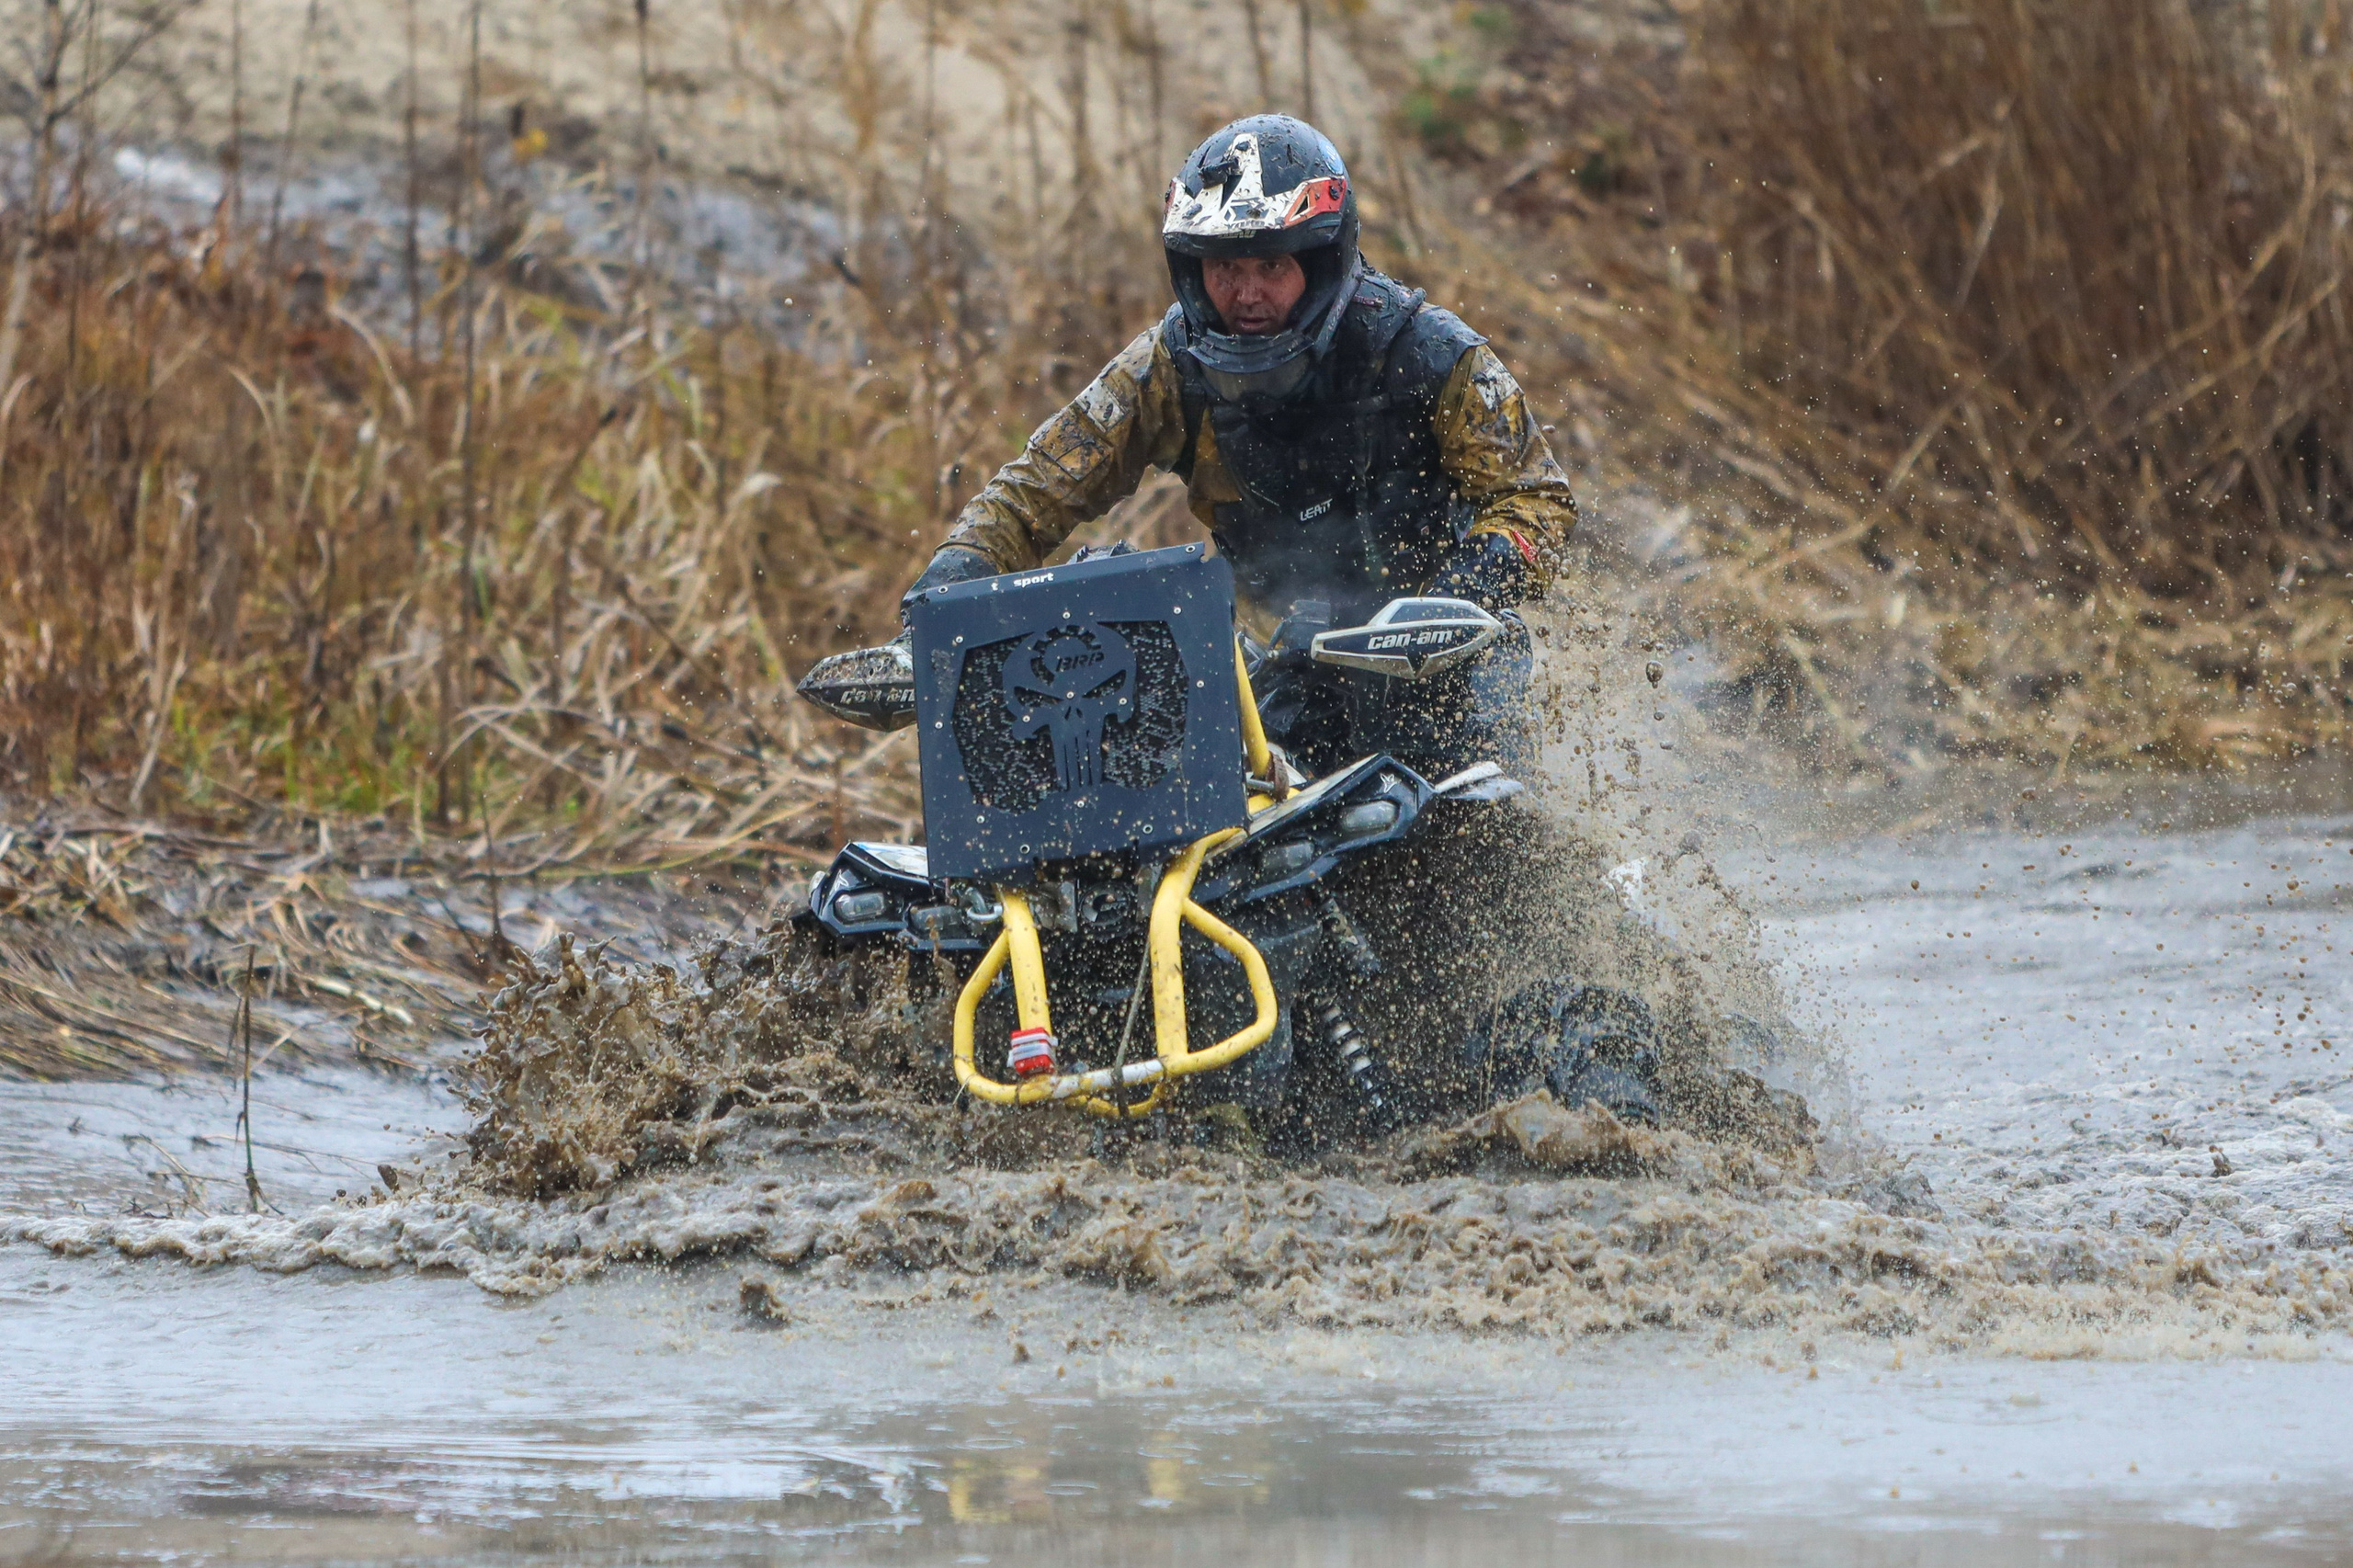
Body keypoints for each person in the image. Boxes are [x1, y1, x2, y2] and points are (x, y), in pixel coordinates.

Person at [902, 115, 1581, 778]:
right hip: (1274, 680)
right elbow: (1033, 493)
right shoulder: (1168, 366)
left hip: (1447, 663)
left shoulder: (1429, 352)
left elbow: (1536, 500)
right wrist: (935, 609)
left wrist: (1457, 598)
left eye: (1270, 264)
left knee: (1490, 831)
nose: (1246, 294)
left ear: (1320, 263)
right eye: (1225, 268)